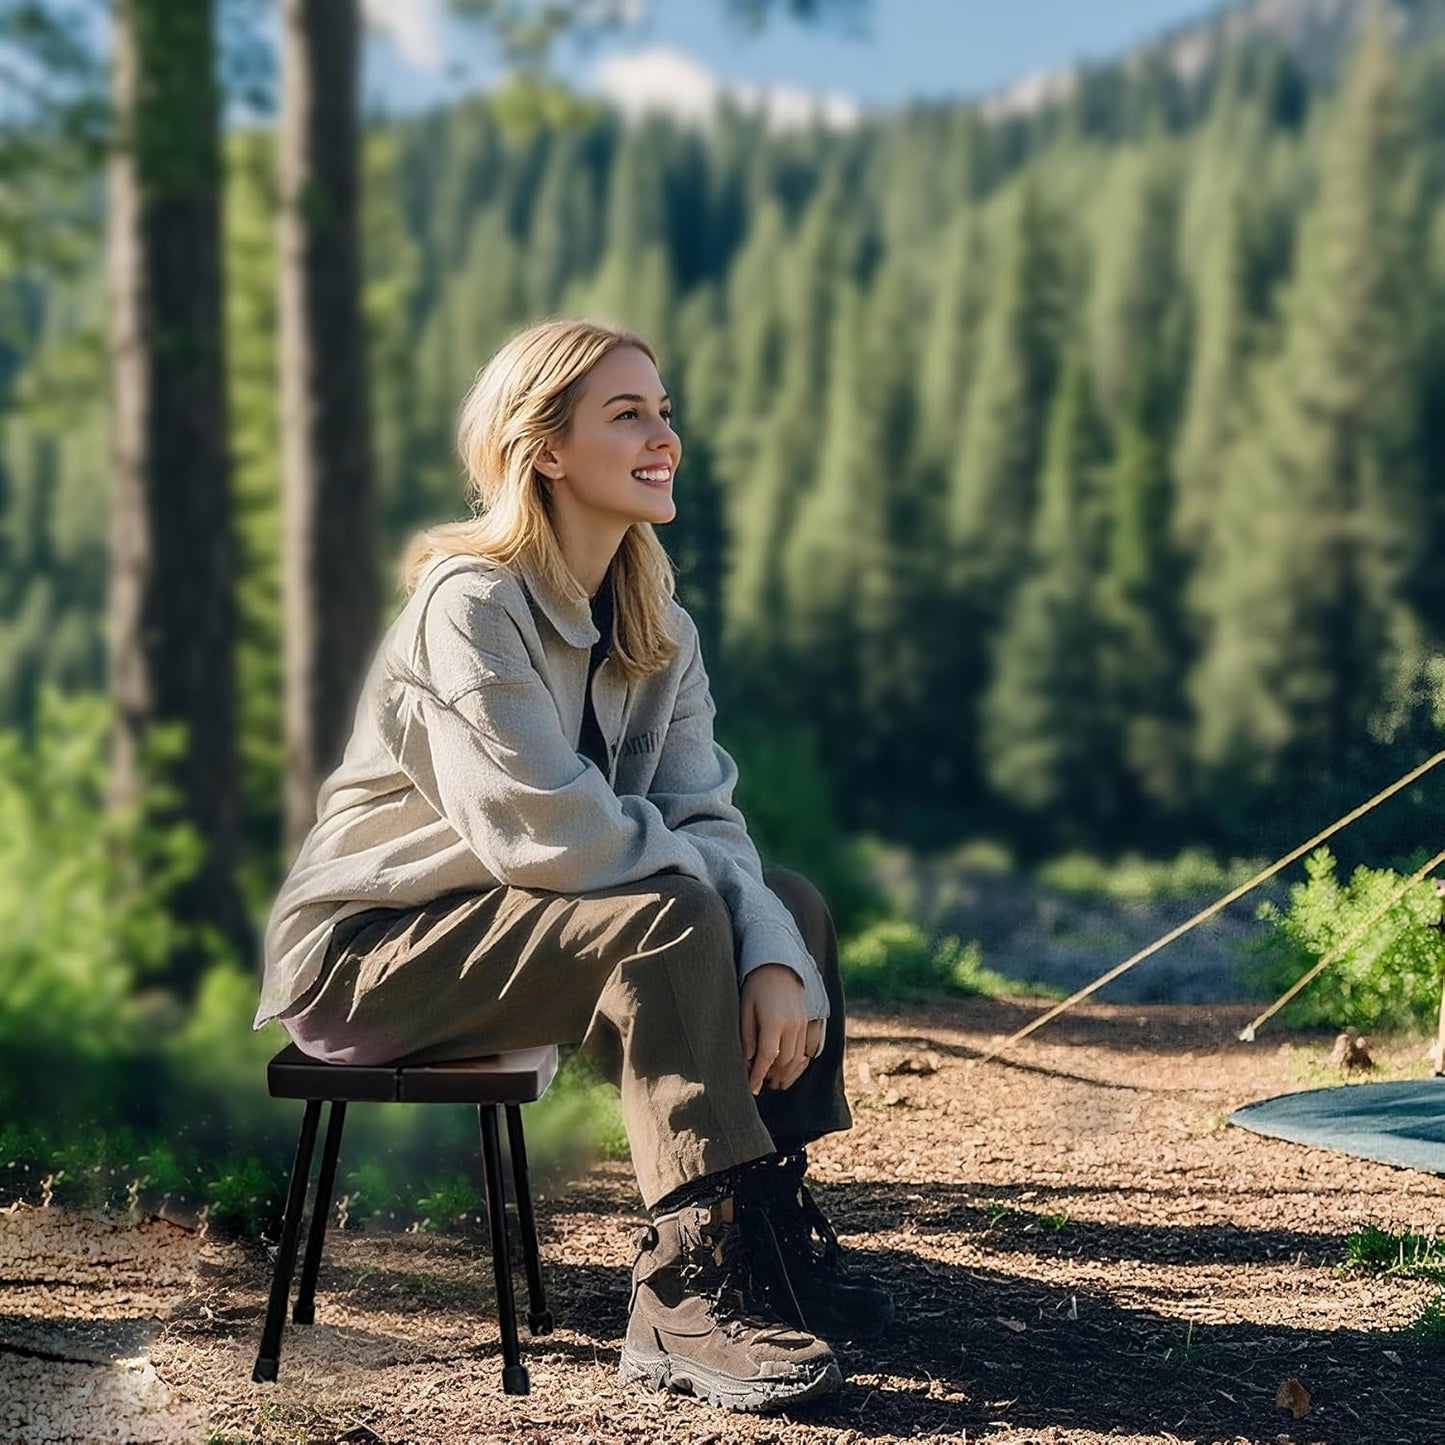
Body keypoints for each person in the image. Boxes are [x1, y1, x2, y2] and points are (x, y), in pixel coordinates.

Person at [252, 316, 893, 1413]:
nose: (664, 435)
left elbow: (705, 818)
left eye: (665, 411)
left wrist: (775, 942)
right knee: (674, 914)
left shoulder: (657, 627)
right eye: (627, 413)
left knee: (787, 900)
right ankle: (684, 1285)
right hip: (371, 957)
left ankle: (761, 1230)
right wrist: (717, 901)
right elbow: (541, 832)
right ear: (543, 448)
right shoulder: (469, 604)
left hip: (523, 935)